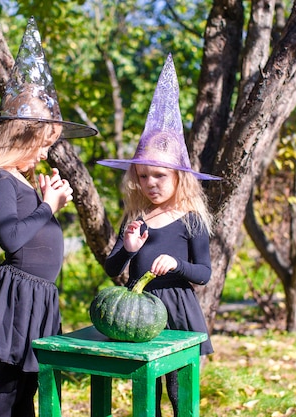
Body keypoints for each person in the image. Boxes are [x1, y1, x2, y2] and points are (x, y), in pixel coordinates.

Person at [0, 17, 97, 417]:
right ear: (17, 137)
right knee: (10, 389)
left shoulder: (20, 181)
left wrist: (48, 202)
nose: (44, 154)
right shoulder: (2, 177)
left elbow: (34, 231)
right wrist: (47, 206)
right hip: (19, 296)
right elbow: (12, 239)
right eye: (41, 145)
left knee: (29, 386)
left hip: (38, 295)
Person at [97, 53, 220, 417]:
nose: (150, 183)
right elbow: (112, 266)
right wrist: (130, 248)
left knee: (179, 393)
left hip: (178, 311)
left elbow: (204, 273)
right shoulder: (136, 219)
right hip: (139, 311)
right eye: (144, 175)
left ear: (179, 177)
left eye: (160, 176)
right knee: (146, 392)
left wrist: (178, 264)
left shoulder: (191, 218)